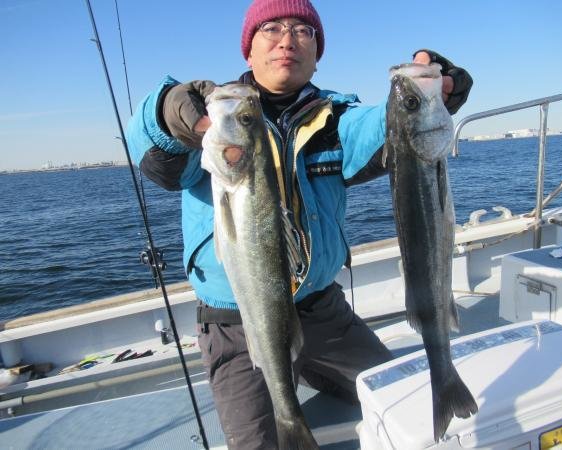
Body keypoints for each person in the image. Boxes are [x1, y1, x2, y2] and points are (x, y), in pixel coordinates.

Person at [126, 0, 473, 448]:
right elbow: (154, 148)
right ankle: (289, 375)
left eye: (302, 30)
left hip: (323, 311)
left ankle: (309, 364)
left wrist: (436, 92)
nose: (287, 39)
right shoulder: (213, 125)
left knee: (400, 398)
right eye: (271, 28)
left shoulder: (336, 120)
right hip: (236, 323)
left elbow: (393, 126)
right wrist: (166, 111)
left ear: (317, 53)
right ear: (249, 49)